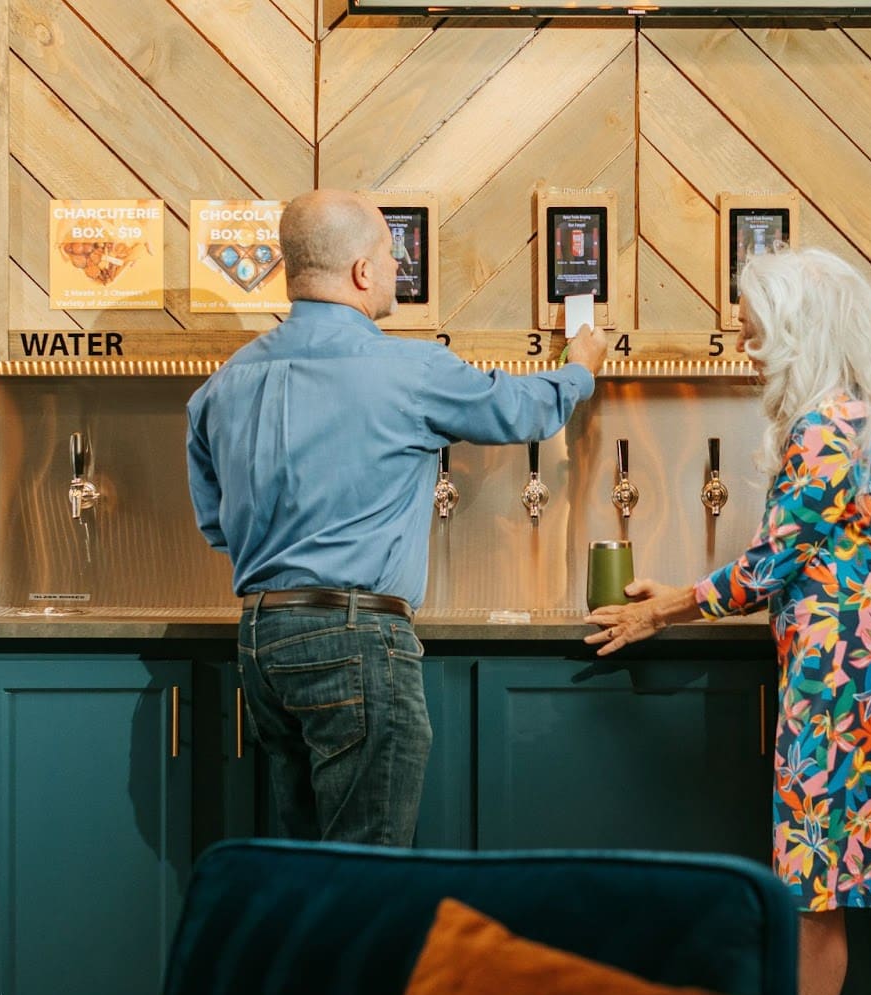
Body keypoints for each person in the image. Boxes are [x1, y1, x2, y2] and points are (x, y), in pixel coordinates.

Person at [582, 247, 871, 995]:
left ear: (800, 331)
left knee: (815, 887)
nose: (750, 349)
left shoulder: (825, 426)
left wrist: (664, 611)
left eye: (758, 336)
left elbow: (766, 568)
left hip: (833, 675)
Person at [188, 188, 607, 847]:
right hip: (355, 637)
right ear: (361, 272)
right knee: (369, 873)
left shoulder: (223, 385)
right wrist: (579, 370)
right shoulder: (405, 369)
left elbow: (216, 527)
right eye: (390, 255)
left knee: (304, 867)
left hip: (261, 640)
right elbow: (523, 411)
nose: (395, 269)